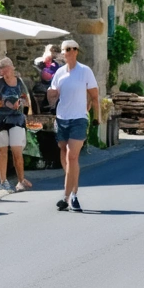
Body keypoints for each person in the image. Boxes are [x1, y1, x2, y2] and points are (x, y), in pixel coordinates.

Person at [47, 40, 100, 213]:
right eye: (66, 49)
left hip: (79, 119)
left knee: (72, 157)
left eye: (73, 49)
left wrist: (96, 117)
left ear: (77, 52)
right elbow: (53, 97)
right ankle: (71, 191)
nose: (69, 52)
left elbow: (94, 96)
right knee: (64, 155)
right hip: (62, 119)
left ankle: (70, 196)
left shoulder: (85, 71)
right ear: (62, 53)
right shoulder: (59, 73)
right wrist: (51, 95)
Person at [0, 57, 32, 193]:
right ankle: (3, 182)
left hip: (17, 119)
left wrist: (21, 103)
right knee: (2, 150)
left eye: (6, 67)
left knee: (17, 151)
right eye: (1, 68)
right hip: (1, 120)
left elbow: (25, 98)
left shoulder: (19, 82)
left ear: (12, 68)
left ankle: (21, 180)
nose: (4, 70)